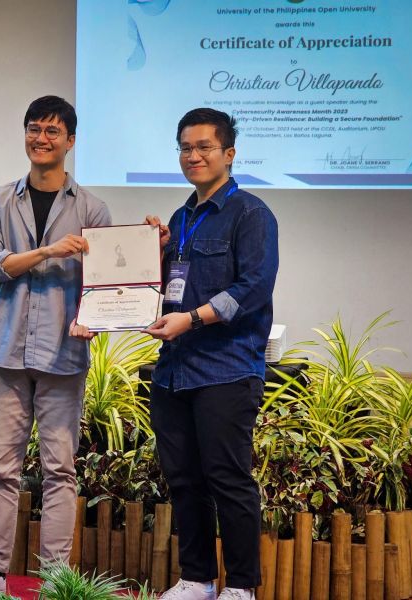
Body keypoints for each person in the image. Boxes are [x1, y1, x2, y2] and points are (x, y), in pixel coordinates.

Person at [0, 95, 111, 599]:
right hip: (6, 353)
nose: (41, 138)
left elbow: (108, 286)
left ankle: (55, 580)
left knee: (60, 470)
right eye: (33, 129)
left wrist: (94, 318)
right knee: (1, 468)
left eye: (52, 131)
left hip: (64, 357)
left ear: (70, 141)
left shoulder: (92, 209)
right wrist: (45, 251)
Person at [144, 108, 279, 600]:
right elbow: (169, 290)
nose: (193, 156)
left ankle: (240, 586)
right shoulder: (181, 219)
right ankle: (196, 578)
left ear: (229, 153)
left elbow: (253, 289)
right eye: (185, 147)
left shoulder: (252, 214)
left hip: (226, 369)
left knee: (228, 480)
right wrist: (151, 254)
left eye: (204, 147)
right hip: (174, 371)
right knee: (183, 479)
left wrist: (194, 319)